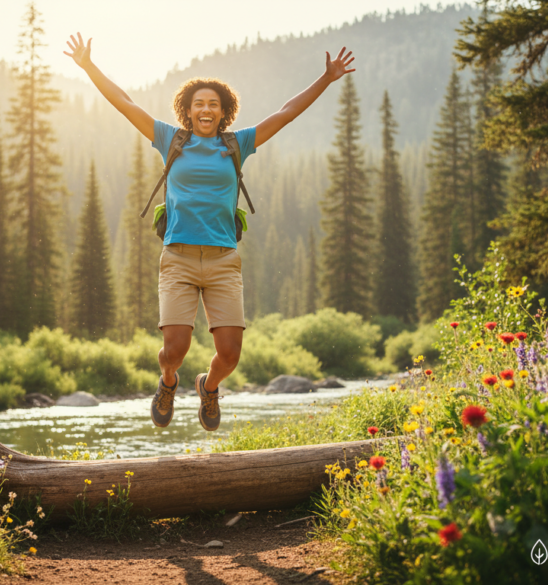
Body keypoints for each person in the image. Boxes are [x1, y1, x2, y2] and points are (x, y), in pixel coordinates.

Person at [64, 33, 355, 431]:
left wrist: (325, 79)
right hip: (179, 258)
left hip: (223, 261)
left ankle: (209, 386)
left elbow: (286, 113)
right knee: (174, 350)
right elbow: (124, 103)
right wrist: (88, 66)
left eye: (213, 105)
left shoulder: (238, 144)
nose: (205, 109)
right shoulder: (170, 139)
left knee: (231, 354)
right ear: (187, 110)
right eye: (198, 103)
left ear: (223, 112)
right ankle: (168, 384)